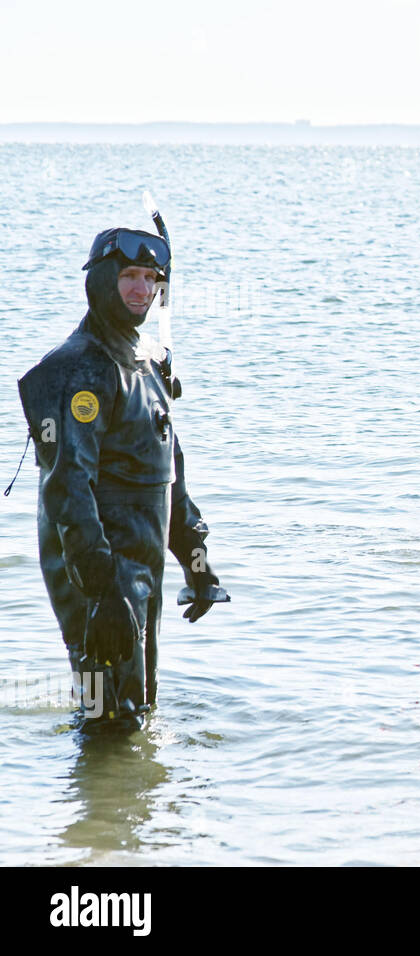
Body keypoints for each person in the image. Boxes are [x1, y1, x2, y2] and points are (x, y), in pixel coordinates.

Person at [17, 228, 227, 729]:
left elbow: (168, 475)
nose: (140, 290)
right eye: (129, 276)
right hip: (99, 576)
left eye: (151, 279)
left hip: (139, 574)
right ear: (103, 280)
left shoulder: (146, 361)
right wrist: (103, 593)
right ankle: (96, 801)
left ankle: (123, 805)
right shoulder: (81, 368)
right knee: (107, 719)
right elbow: (67, 488)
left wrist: (196, 562)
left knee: (136, 713)